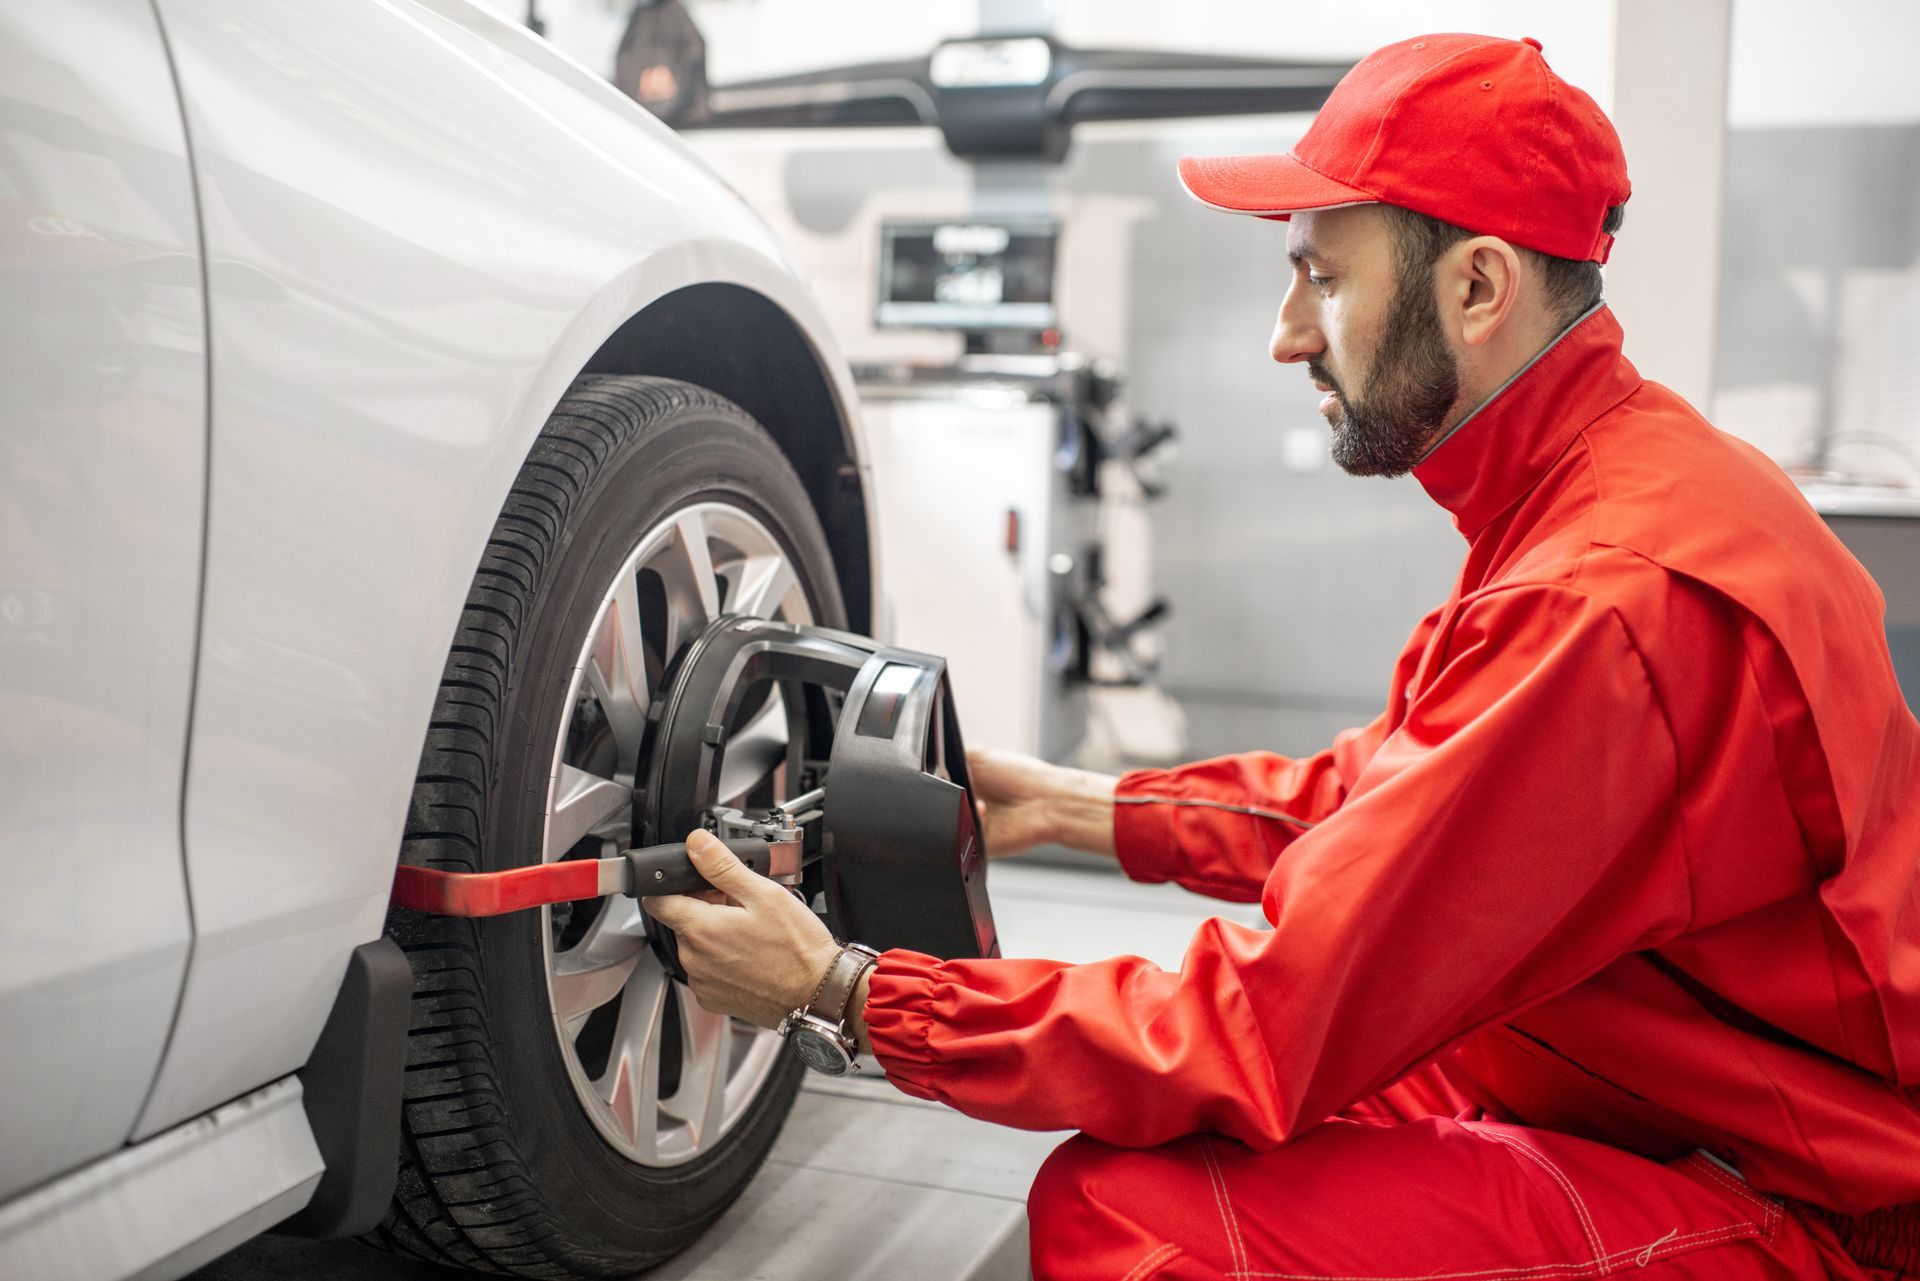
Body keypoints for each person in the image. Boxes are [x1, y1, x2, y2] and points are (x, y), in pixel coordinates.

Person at [642, 33, 1920, 1281]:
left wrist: (851, 993)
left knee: (1128, 1218)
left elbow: (1263, 1025)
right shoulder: (1611, 490)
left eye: (1323, 278)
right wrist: (1081, 807)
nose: (1287, 335)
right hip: (1628, 1076)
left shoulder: (1603, 598)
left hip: (1800, 1199)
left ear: (1478, 289)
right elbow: (1394, 818)